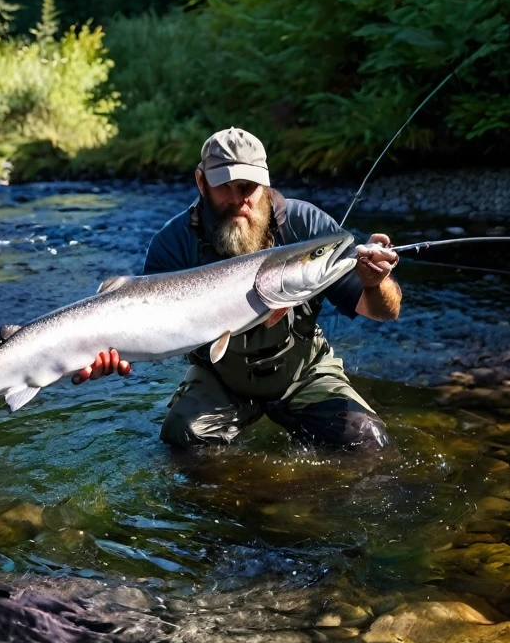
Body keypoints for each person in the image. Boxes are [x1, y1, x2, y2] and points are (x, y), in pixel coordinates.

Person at [75, 127, 401, 450]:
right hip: (221, 378)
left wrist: (376, 283)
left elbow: (386, 311)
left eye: (247, 187)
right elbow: (148, 334)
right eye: (223, 187)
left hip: (303, 373)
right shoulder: (174, 244)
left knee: (368, 441)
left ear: (266, 183)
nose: (236, 200)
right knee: (182, 438)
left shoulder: (308, 227)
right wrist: (112, 353)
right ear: (202, 183)